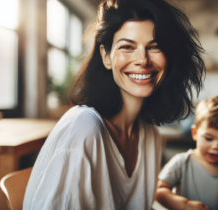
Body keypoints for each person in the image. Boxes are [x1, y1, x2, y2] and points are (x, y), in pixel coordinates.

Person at [23, 0, 205, 209]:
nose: (142, 60)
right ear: (106, 56)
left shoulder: (150, 135)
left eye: (154, 46)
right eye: (127, 46)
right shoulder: (83, 128)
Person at [156, 96, 218, 210]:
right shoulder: (182, 162)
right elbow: (159, 191)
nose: (216, 147)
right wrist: (185, 205)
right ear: (195, 133)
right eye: (208, 139)